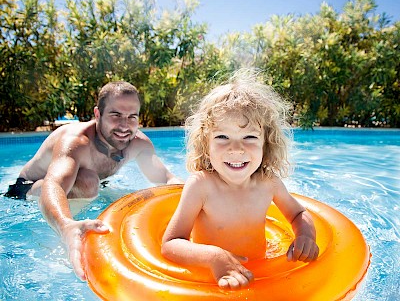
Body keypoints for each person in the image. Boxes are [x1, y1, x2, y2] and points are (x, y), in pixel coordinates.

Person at [4, 81, 182, 281]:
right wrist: (66, 226)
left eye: (132, 117)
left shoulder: (138, 144)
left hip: (89, 184)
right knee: (88, 182)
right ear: (98, 114)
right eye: (116, 115)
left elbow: (165, 177)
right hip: (28, 188)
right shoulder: (76, 142)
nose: (124, 126)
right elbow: (54, 186)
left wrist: (187, 195)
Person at [161, 70, 319, 290]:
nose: (236, 149)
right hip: (210, 279)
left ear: (267, 143)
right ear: (206, 145)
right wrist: (214, 257)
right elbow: (171, 244)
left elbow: (298, 213)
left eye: (250, 137)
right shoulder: (201, 185)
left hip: (260, 272)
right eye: (222, 137)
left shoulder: (268, 182)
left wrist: (305, 236)